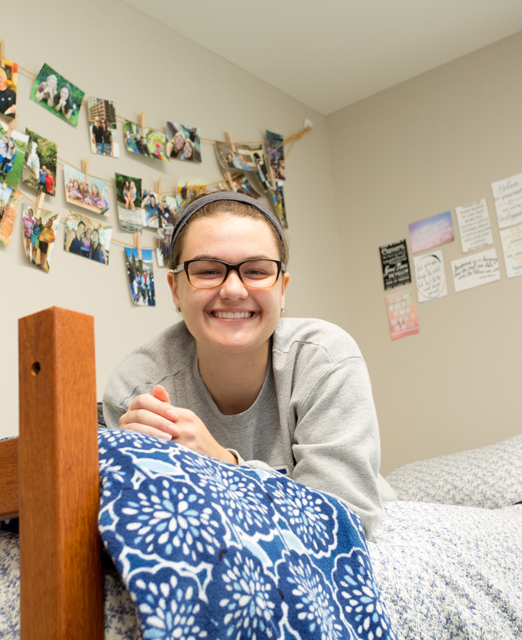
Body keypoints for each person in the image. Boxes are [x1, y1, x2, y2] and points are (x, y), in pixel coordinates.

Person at [103, 191, 393, 536]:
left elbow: (342, 521)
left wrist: (223, 464)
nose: (234, 290)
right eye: (208, 271)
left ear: (282, 289)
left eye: (256, 271)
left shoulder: (324, 358)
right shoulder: (136, 386)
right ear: (175, 289)